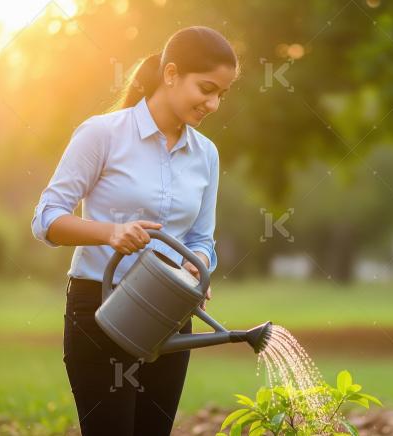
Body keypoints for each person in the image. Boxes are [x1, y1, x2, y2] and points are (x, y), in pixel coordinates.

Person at [30, 26, 239, 435]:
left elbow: (201, 240)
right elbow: (46, 219)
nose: (213, 104)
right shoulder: (102, 133)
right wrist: (110, 233)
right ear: (172, 73)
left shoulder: (206, 154)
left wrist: (199, 268)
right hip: (99, 310)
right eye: (207, 89)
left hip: (170, 313)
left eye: (222, 95)